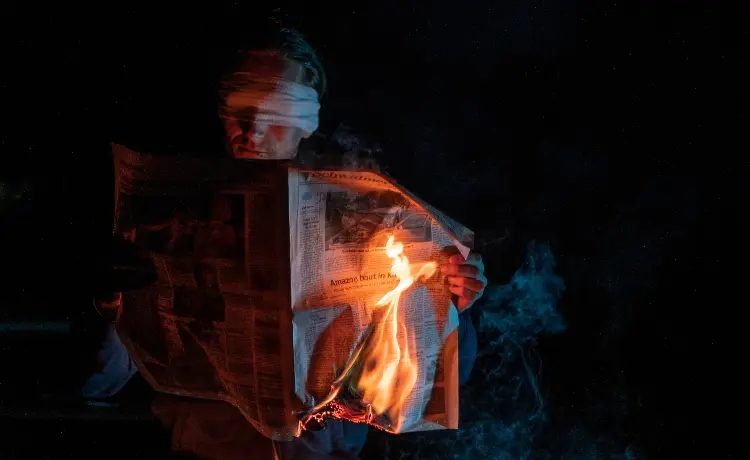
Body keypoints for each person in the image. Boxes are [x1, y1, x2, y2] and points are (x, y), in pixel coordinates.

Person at [84, 27, 488, 459]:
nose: (252, 126)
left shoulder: (374, 225)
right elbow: (96, 382)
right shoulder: (172, 222)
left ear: (308, 119)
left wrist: (452, 309)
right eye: (238, 103)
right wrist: (110, 303)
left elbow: (433, 384)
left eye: (275, 105)